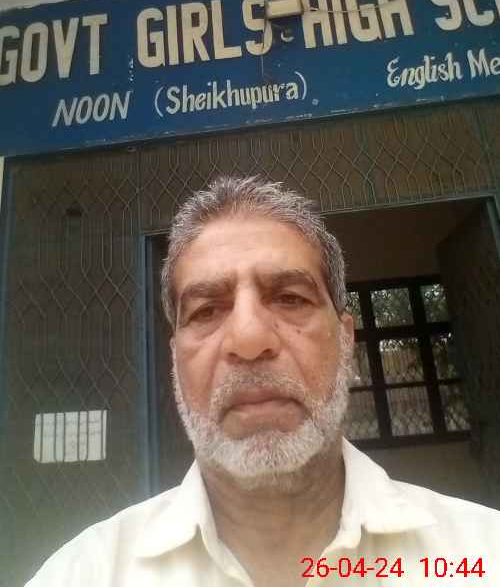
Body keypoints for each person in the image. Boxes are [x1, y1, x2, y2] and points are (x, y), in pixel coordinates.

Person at [27, 176, 500, 586]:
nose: (249, 339)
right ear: (175, 359)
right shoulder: (84, 574)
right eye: (206, 310)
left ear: (345, 340)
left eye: (291, 298)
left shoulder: (479, 556)